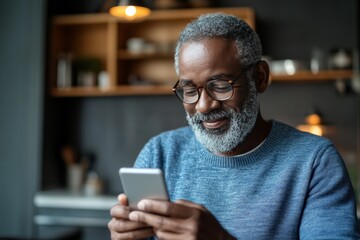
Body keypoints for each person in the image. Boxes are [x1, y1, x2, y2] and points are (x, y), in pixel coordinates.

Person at [108, 13, 359, 239]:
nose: (204, 106)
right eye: (189, 90)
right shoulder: (159, 153)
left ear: (259, 78)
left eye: (220, 85)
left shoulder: (315, 162)